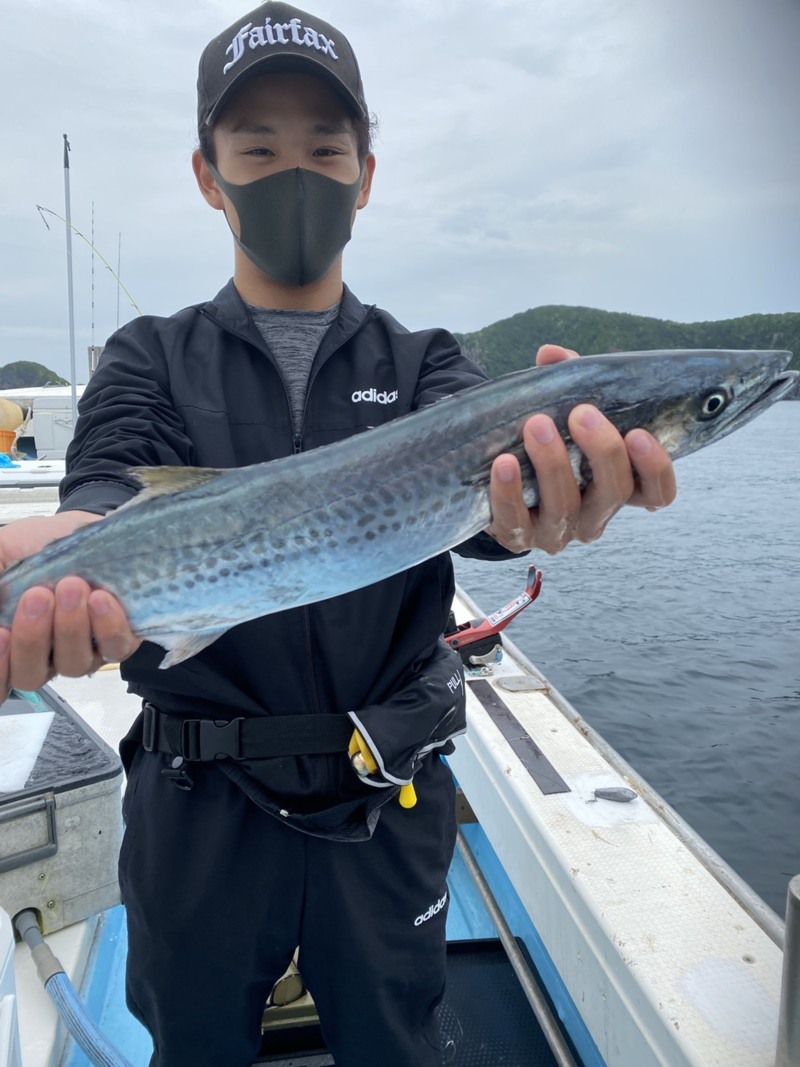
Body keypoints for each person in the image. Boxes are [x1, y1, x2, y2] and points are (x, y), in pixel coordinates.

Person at [0, 4, 676, 1064]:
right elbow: (103, 497)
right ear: (207, 173)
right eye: (257, 149)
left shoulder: (428, 370)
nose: (295, 173)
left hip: (385, 793)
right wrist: (64, 559)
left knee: (393, 1044)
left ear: (365, 172)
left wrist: (543, 504)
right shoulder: (150, 357)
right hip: (196, 801)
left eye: (324, 148)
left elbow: (490, 529)